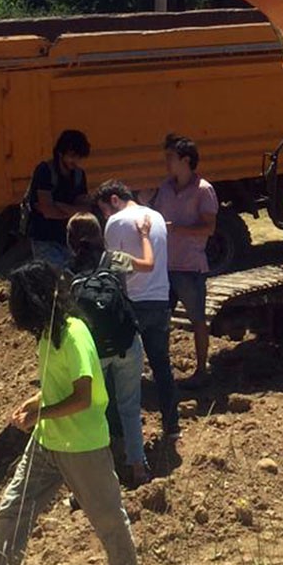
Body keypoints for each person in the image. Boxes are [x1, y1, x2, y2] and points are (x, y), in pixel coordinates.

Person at [0, 262, 138, 565]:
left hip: (82, 447)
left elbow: (83, 396)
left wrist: (39, 415)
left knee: (108, 518)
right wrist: (33, 404)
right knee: (10, 515)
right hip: (48, 445)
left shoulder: (74, 333)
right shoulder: (46, 335)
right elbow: (54, 389)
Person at [64, 213, 150, 488]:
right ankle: (138, 467)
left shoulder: (69, 270)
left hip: (94, 349)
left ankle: (96, 476)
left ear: (71, 240)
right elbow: (147, 265)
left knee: (92, 412)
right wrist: (145, 236)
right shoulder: (115, 259)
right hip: (127, 342)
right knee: (130, 407)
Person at [99, 180, 178, 456]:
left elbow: (115, 268)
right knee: (162, 365)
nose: (105, 217)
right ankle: (172, 425)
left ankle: (120, 435)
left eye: (104, 211)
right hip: (161, 297)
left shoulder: (116, 222)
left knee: (119, 373)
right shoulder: (154, 216)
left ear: (113, 200)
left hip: (133, 303)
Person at [155, 134, 219, 384]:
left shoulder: (203, 190)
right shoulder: (165, 187)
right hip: (165, 266)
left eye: (170, 158)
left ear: (185, 160)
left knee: (197, 319)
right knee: (161, 321)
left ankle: (202, 370)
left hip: (190, 267)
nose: (166, 163)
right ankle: (163, 370)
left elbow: (209, 228)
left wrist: (176, 229)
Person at [25, 130, 91, 268]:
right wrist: (72, 211)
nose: (75, 161)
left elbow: (85, 210)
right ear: (61, 153)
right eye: (72, 156)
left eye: (79, 157)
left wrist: (59, 205)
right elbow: (48, 211)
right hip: (44, 239)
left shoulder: (79, 175)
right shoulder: (44, 171)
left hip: (69, 241)